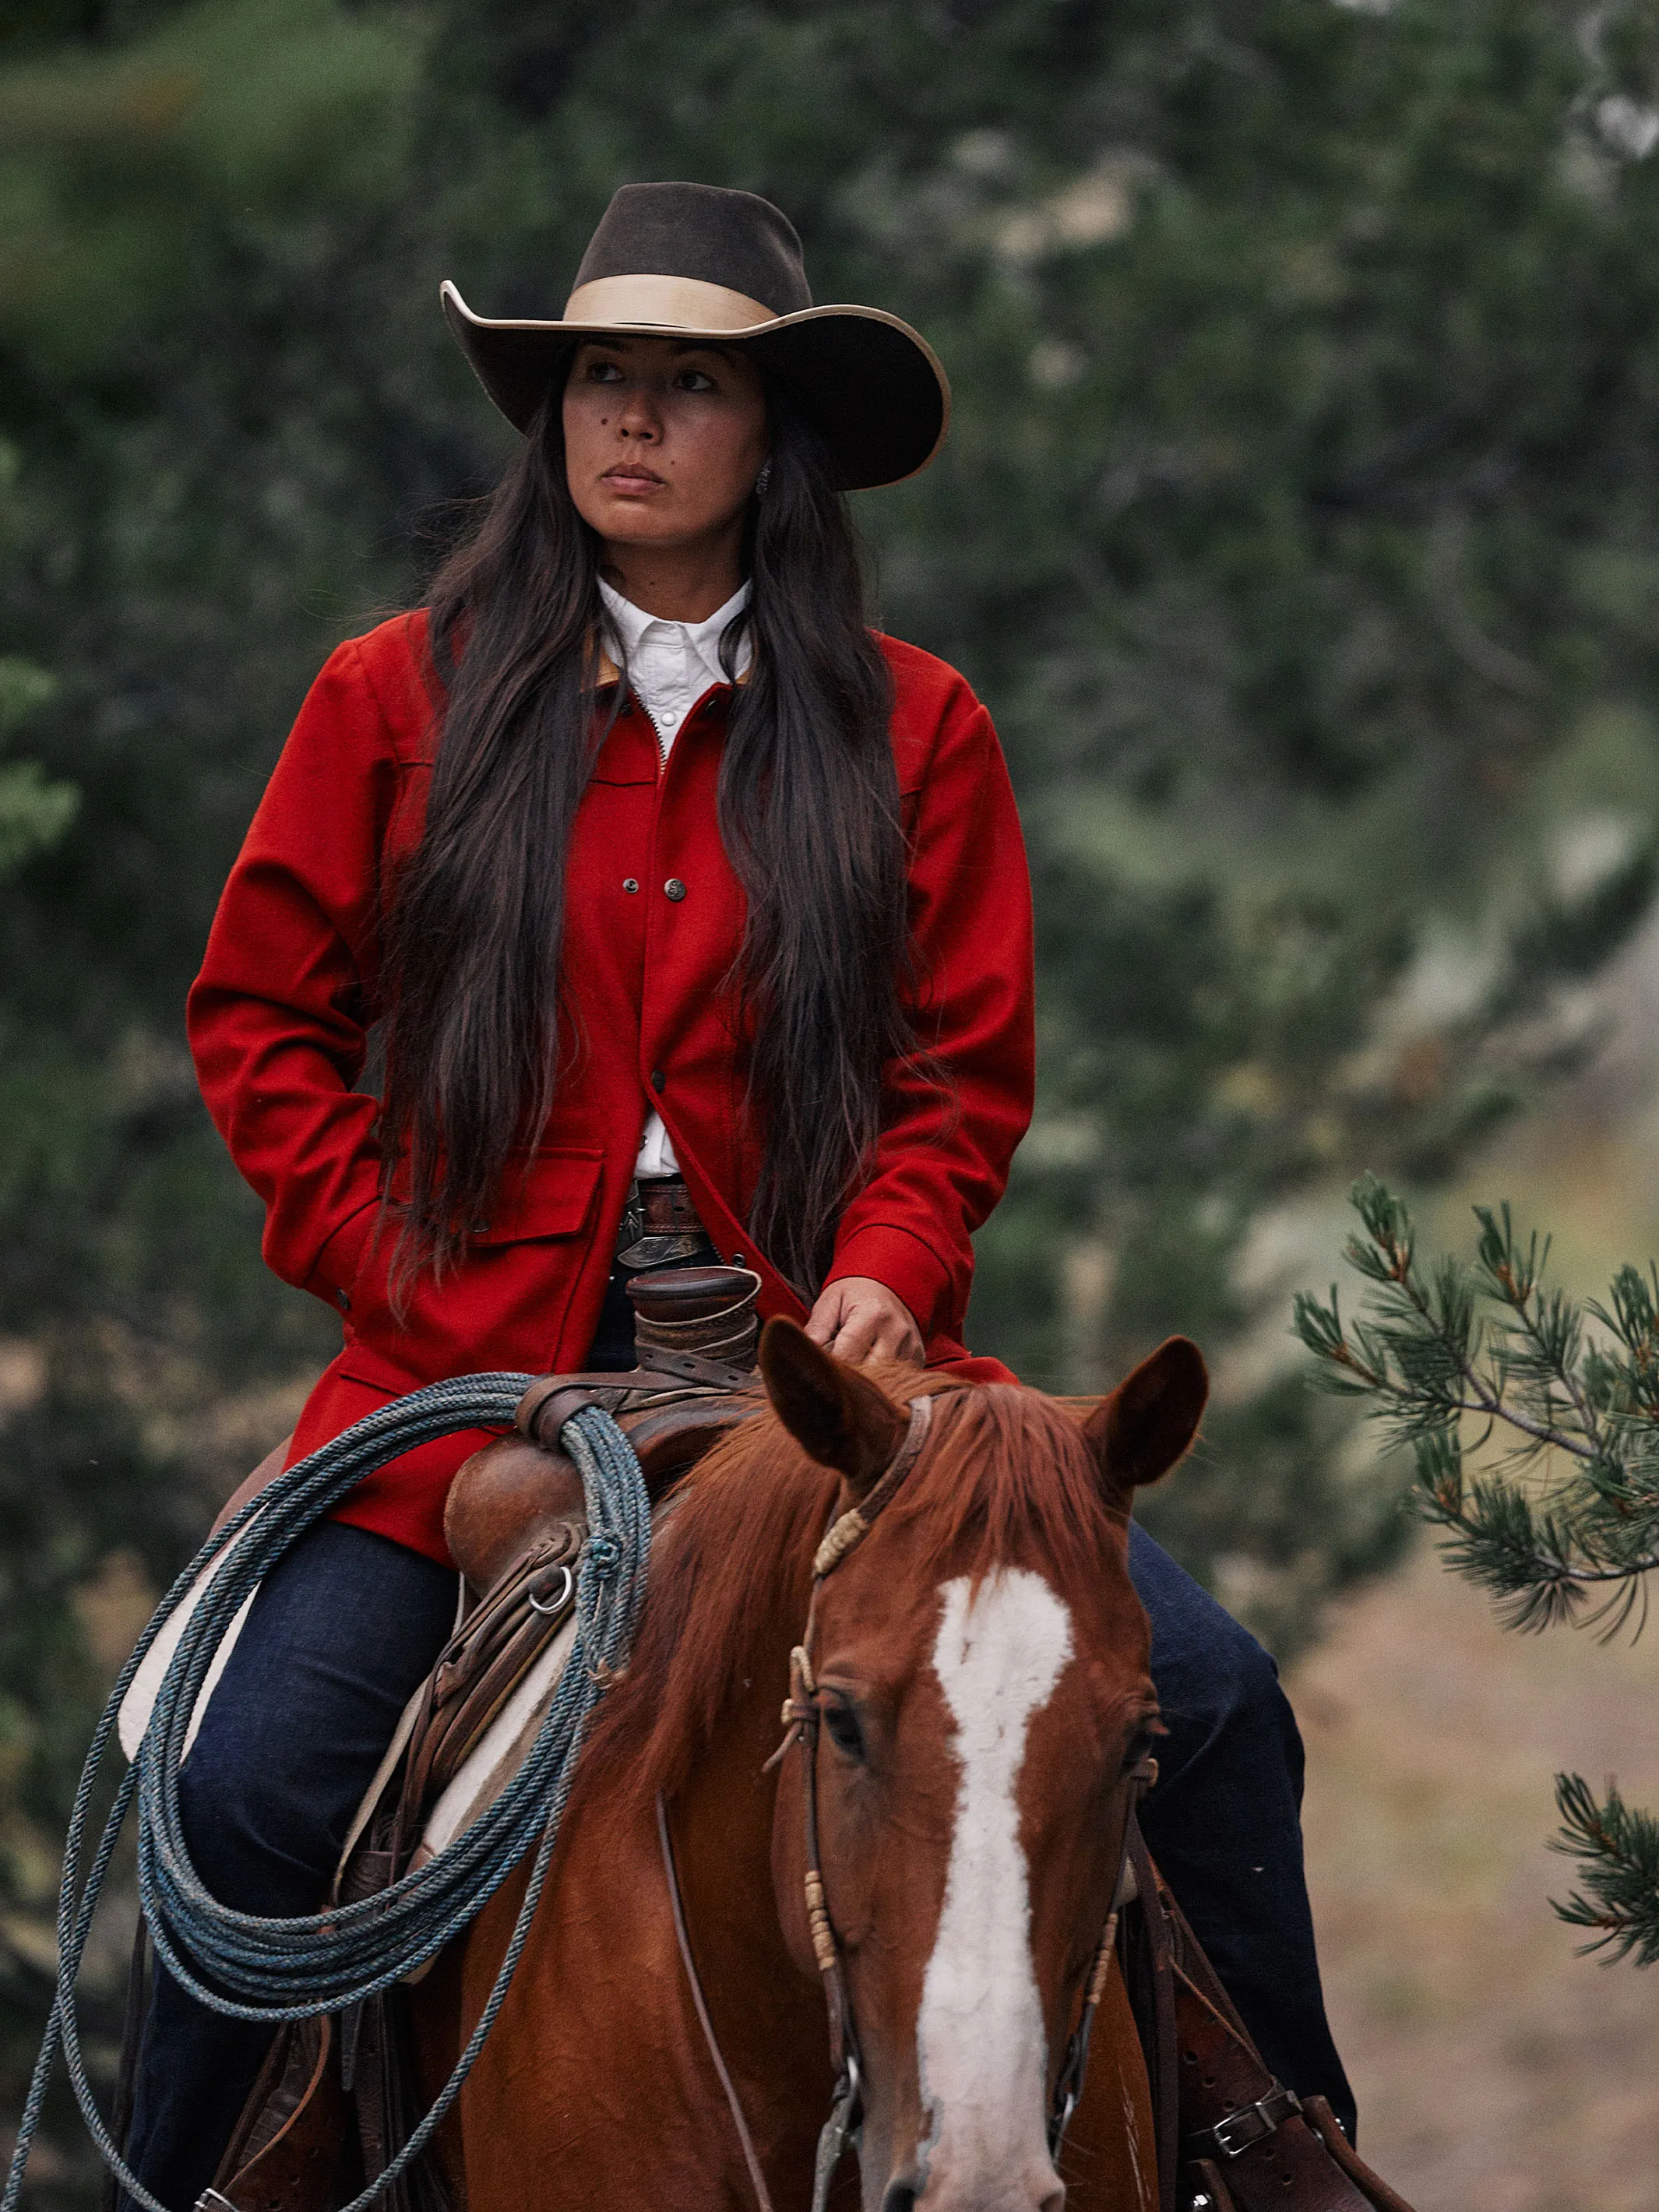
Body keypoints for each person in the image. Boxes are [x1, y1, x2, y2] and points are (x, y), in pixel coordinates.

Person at [123, 182, 1353, 2205]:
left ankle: (1279, 2148)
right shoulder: (391, 701)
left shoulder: (916, 728)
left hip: (833, 1384)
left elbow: (956, 1079)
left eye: (688, 387)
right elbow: (260, 1024)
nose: (634, 422)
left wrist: (884, 1275)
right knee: (251, 1784)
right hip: (464, 1393)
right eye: (604, 378)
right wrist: (409, 1281)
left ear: (771, 433)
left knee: (1209, 1701)